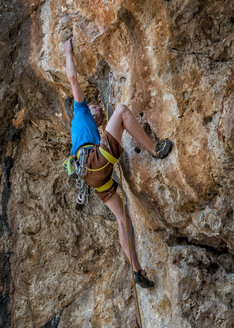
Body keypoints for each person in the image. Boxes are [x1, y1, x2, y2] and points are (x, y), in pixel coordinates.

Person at [63, 38, 172, 288]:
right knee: (122, 110)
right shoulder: (80, 112)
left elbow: (103, 134)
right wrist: (68, 51)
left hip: (93, 177)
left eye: (99, 109)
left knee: (123, 218)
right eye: (95, 107)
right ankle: (155, 148)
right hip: (94, 163)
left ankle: (137, 271)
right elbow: (72, 79)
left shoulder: (90, 132)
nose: (97, 107)